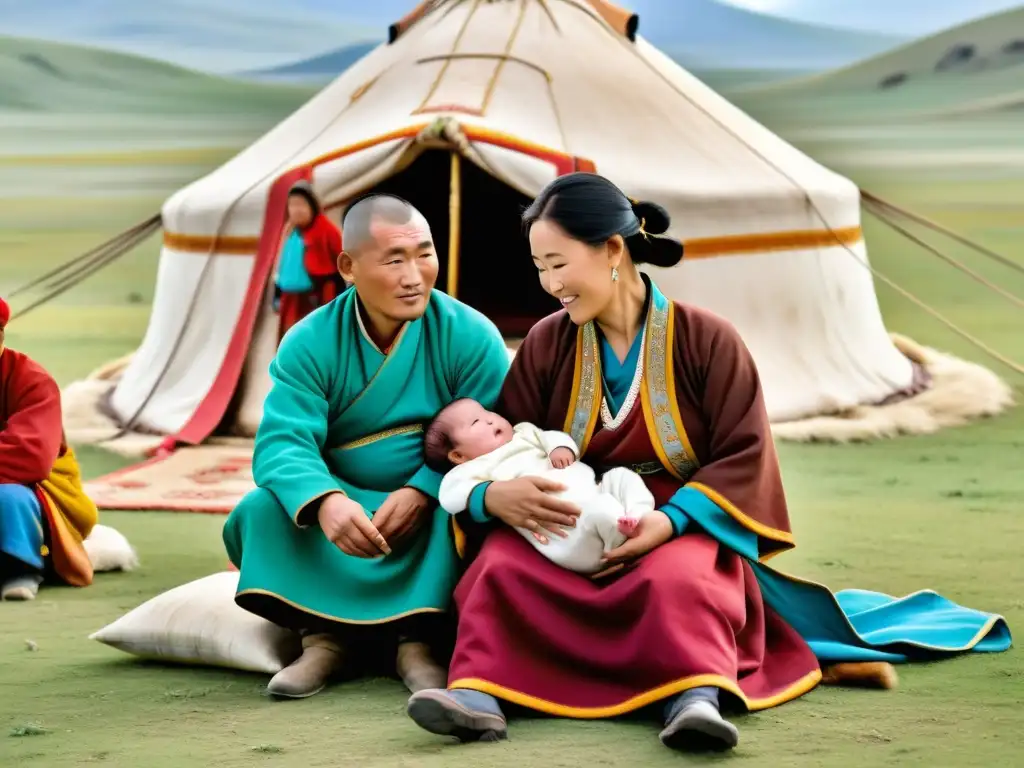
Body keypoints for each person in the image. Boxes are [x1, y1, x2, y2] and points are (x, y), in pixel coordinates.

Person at [405, 173, 1011, 750]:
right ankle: (480, 695)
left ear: (612, 249)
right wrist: (492, 497)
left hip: (679, 519)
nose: (549, 284)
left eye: (558, 264)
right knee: (500, 568)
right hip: (563, 519)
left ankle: (694, 699)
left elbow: (743, 453)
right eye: (539, 267)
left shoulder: (707, 339)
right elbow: (504, 441)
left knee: (679, 581)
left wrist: (667, 524)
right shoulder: (546, 342)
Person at [223, 193, 511, 699]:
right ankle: (322, 638)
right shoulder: (309, 341)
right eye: (394, 259)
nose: (414, 275)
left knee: (465, 508)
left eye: (424, 254)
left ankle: (418, 641)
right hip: (344, 502)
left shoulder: (470, 335)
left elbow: (499, 435)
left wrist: (425, 489)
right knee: (262, 509)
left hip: (432, 503)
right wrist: (327, 501)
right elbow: (283, 441)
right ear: (348, 267)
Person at [424, 397, 654, 574]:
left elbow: (552, 437)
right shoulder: (470, 471)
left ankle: (637, 515)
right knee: (602, 510)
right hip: (570, 530)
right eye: (476, 422)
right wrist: (487, 494)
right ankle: (616, 551)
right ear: (458, 455)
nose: (490, 418)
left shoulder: (524, 433)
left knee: (621, 477)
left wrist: (560, 449)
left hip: (595, 490)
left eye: (488, 412)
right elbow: (450, 496)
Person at [0, 296, 99, 601]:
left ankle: (20, 568)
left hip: (26, 487)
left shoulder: (31, 380)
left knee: (8, 497)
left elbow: (31, 458)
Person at [273, 180, 346, 341]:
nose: (296, 210)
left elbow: (345, 259)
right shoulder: (290, 231)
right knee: (290, 338)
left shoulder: (326, 230)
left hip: (319, 294)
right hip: (291, 296)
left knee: (316, 338)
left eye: (301, 205)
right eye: (292, 205)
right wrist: (277, 292)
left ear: (311, 206)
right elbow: (282, 263)